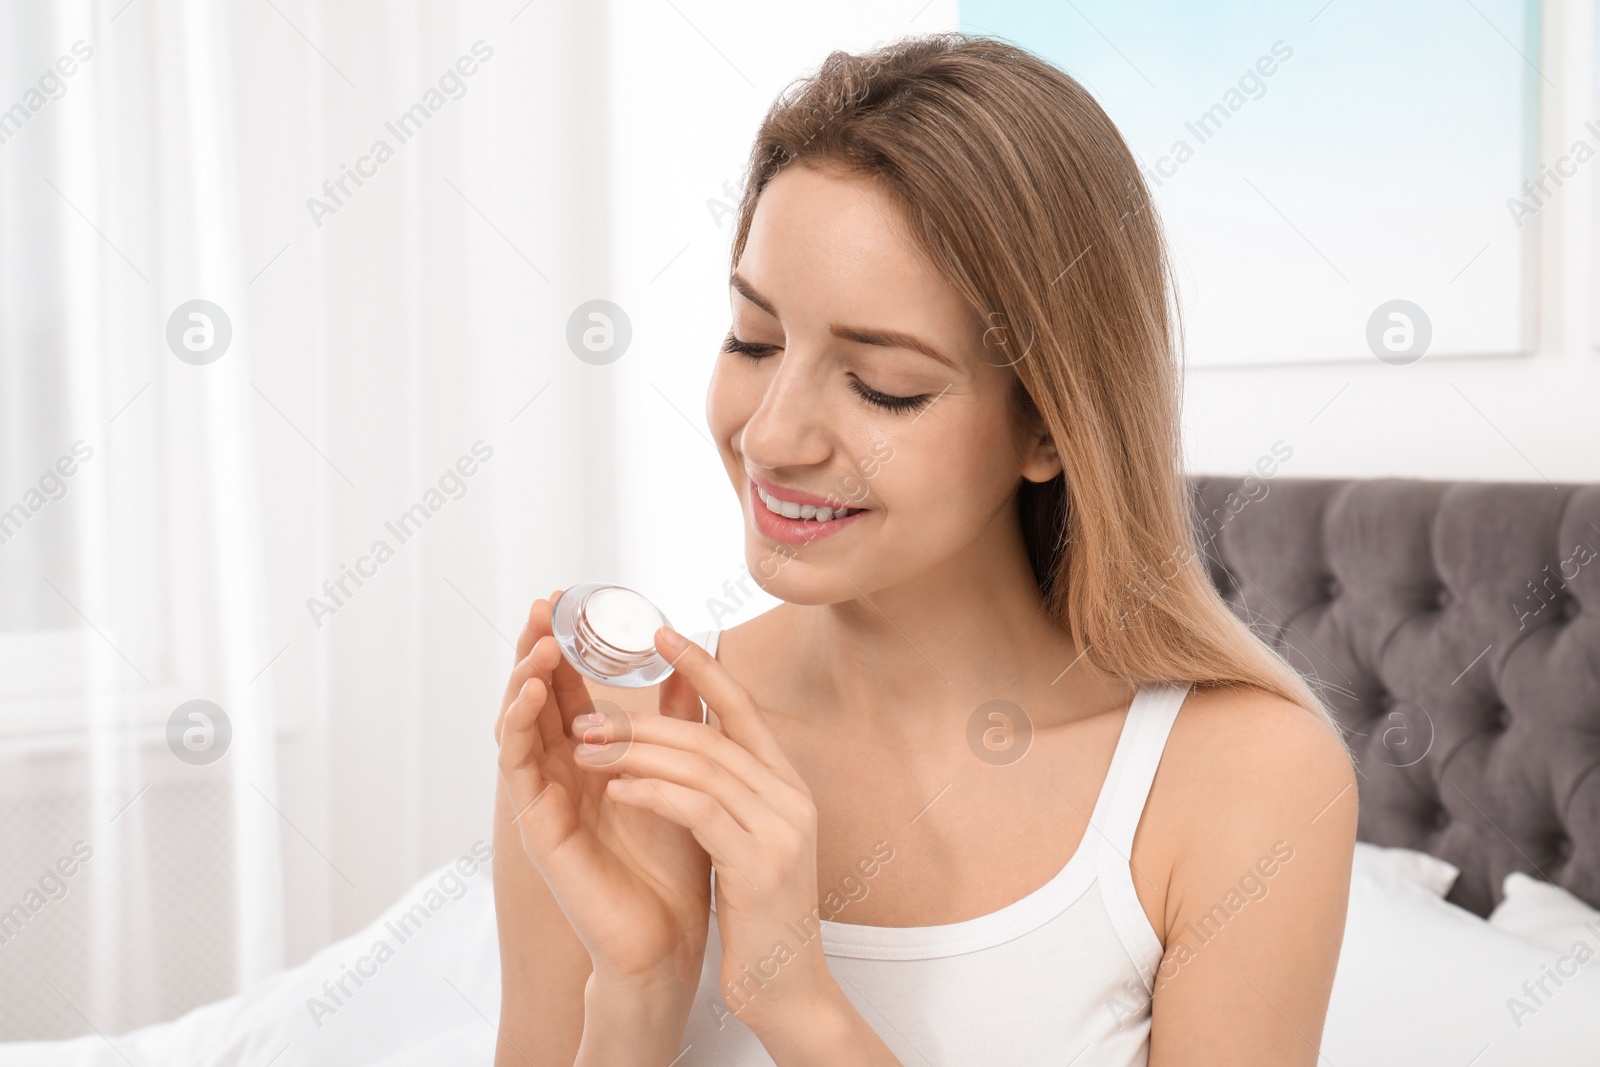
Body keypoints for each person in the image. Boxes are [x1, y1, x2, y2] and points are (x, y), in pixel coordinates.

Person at [492, 31, 1356, 1066]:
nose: (769, 435)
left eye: (880, 383)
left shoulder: (1241, 779)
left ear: (1048, 426)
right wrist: (636, 989)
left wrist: (801, 1007)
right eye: (753, 339)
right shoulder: (617, 736)